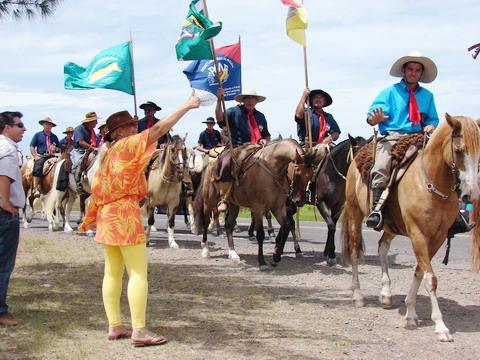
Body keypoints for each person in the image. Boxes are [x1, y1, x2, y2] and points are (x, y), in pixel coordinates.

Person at [78, 93, 200, 346]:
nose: (136, 128)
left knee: (112, 272)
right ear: (119, 132)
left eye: (135, 125)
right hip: (125, 213)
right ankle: (139, 330)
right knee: (137, 273)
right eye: (131, 126)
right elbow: (159, 129)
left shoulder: (108, 153)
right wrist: (187, 105)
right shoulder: (125, 145)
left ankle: (115, 326)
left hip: (107, 215)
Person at [365, 51, 439, 229]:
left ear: (421, 73)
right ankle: (377, 210)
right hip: (394, 136)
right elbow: (370, 116)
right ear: (404, 71)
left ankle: (453, 212)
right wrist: (374, 120)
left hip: (419, 137)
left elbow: (433, 119)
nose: (413, 72)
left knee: (443, 161)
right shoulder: (390, 92)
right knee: (381, 165)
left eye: (417, 70)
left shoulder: (427, 96)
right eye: (410, 69)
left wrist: (431, 126)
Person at [215, 88, 271, 211]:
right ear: (243, 100)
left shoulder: (261, 116)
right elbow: (219, 118)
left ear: (256, 101)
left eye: (253, 98)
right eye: (248, 98)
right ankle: (223, 197)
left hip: (257, 148)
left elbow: (266, 134)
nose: (250, 101)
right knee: (225, 163)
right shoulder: (233, 112)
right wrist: (219, 99)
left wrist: (265, 141)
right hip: (237, 147)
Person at [0, 111, 26, 326]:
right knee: (4, 263)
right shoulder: (8, 149)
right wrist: (5, 202)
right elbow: (5, 176)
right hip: (4, 212)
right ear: (7, 128)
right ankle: (0, 311)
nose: (23, 129)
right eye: (19, 125)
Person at [29, 117, 60, 197]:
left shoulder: (54, 137)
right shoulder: (37, 135)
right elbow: (32, 146)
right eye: (46, 124)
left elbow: (59, 149)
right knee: (38, 166)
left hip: (53, 156)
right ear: (43, 125)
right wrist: (35, 156)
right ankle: (36, 188)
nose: (48, 126)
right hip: (42, 156)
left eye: (49, 124)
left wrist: (56, 148)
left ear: (52, 126)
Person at [72, 112, 100, 192]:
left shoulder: (92, 130)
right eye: (95, 121)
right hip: (79, 150)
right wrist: (93, 148)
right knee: (79, 162)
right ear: (89, 121)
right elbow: (80, 142)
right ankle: (78, 183)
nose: (96, 123)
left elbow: (94, 141)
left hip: (90, 150)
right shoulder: (79, 129)